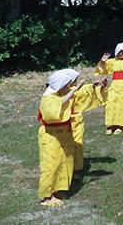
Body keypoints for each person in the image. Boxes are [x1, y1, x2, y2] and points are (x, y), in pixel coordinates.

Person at [37, 69, 80, 207]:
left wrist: (97, 87)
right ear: (60, 86)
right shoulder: (47, 99)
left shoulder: (62, 94)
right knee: (51, 164)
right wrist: (73, 91)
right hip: (51, 135)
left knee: (64, 161)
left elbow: (79, 98)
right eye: (66, 85)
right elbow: (55, 109)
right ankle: (46, 196)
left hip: (64, 135)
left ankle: (58, 190)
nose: (69, 87)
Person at [95, 43, 123, 134]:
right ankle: (110, 125)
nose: (121, 54)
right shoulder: (112, 61)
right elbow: (102, 69)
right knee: (111, 104)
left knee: (122, 105)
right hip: (115, 85)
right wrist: (103, 61)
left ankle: (120, 125)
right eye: (119, 52)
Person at [69, 76, 108, 174]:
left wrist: (96, 86)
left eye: (74, 80)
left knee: (77, 143)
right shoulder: (58, 92)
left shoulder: (79, 89)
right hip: (62, 122)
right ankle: (66, 168)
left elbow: (89, 90)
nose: (74, 81)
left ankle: (76, 169)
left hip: (76, 120)